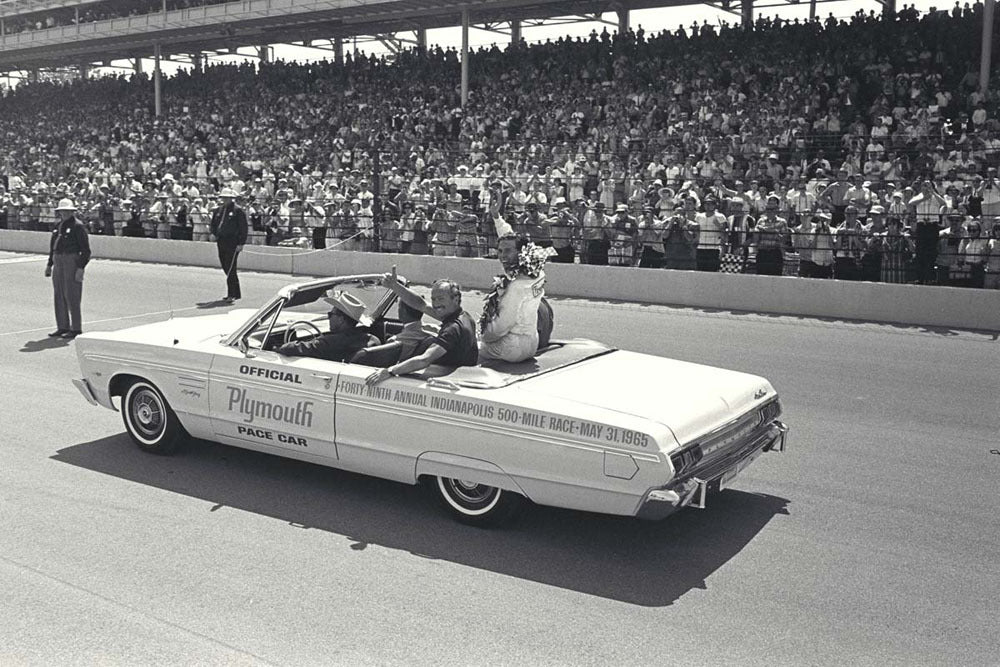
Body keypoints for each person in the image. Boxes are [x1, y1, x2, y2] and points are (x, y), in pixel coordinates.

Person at [366, 275, 478, 385]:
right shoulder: (464, 316)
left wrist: (389, 371)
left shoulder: (452, 329)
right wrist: (395, 287)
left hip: (450, 379)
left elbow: (424, 360)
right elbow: (421, 305)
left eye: (441, 299)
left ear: (456, 299)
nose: (436, 304)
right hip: (459, 373)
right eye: (433, 299)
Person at [479, 234, 550, 363]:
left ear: (522, 252)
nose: (502, 256)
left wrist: (482, 336)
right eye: (500, 251)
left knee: (470, 350)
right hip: (533, 342)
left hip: (512, 347)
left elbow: (501, 326)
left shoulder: (515, 285)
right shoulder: (538, 274)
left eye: (508, 251)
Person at [277, 290, 373, 362]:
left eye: (331, 315)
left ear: (341, 319)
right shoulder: (368, 338)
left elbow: (289, 348)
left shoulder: (331, 342)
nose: (329, 318)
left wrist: (275, 348)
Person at [44, 198, 90, 339]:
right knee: (59, 293)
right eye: (62, 211)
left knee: (72, 294)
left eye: (67, 211)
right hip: (59, 259)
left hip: (72, 259)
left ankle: (75, 328)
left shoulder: (78, 226)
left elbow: (86, 250)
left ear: (72, 211)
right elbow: (53, 247)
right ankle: (62, 326)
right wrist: (49, 264)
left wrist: (80, 267)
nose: (64, 213)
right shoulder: (58, 226)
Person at [209, 188, 248, 303]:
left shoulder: (238, 211)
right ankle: (236, 291)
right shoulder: (219, 210)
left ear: (232, 198)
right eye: (223, 198)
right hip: (221, 241)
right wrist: (213, 233)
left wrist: (241, 243)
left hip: (233, 241)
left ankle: (231, 293)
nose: (225, 200)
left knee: (230, 267)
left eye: (227, 198)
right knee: (225, 265)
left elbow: (243, 228)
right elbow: (214, 224)